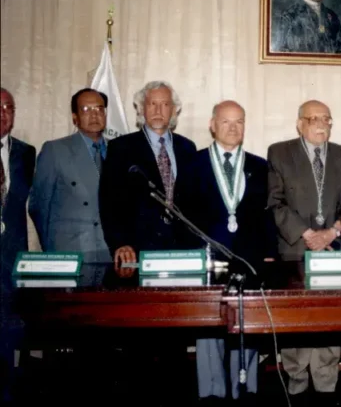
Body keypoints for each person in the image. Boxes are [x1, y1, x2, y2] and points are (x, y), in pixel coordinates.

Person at [267, 99, 341, 404]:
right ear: (300, 123)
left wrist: (331, 232)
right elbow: (275, 202)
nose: (321, 124)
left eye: (327, 119)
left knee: (330, 317)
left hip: (332, 248)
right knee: (294, 318)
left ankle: (326, 384)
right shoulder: (279, 152)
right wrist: (308, 235)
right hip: (295, 248)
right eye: (314, 118)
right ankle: (295, 381)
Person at [182, 101, 277, 402]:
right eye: (226, 122)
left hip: (248, 259)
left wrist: (269, 253)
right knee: (209, 325)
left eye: (239, 122)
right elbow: (182, 216)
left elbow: (269, 215)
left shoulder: (260, 166)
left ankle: (243, 388)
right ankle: (212, 392)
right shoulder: (192, 164)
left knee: (247, 323)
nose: (233, 128)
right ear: (212, 125)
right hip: (207, 258)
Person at [99, 80, 197, 266]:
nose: (158, 111)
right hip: (137, 250)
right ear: (141, 109)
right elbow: (109, 202)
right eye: (152, 104)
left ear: (174, 110)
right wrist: (120, 243)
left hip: (182, 249)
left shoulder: (187, 147)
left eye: (165, 104)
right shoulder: (121, 148)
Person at [29, 88, 111, 262]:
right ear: (75, 117)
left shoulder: (119, 150)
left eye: (99, 109)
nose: (94, 115)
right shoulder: (55, 150)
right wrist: (52, 249)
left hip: (110, 252)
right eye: (86, 110)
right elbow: (39, 207)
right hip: (69, 252)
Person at [0, 87, 36, 403]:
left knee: (10, 333)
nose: (3, 113)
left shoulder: (26, 152)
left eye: (9, 107)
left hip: (12, 260)